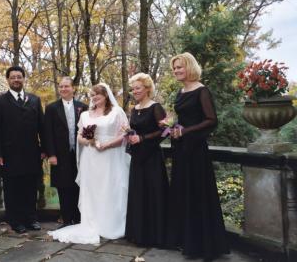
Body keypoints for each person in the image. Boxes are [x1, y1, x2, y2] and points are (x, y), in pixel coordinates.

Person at [164, 52, 229, 260]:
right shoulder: (181, 92)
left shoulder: (202, 91)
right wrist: (173, 129)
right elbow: (184, 119)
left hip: (196, 152)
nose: (176, 71)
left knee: (198, 193)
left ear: (190, 67)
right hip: (181, 150)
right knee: (184, 193)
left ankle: (204, 245)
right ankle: (187, 242)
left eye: (179, 67)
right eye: (174, 68)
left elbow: (211, 120)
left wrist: (186, 131)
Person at [48, 83, 130, 244]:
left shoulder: (116, 112)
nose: (94, 99)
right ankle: (92, 223)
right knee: (92, 189)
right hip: (91, 156)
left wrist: (107, 145)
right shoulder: (86, 114)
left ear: (105, 96)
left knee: (109, 187)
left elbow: (125, 134)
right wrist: (88, 141)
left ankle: (111, 224)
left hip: (110, 155)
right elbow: (80, 135)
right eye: (92, 96)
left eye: (97, 96)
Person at [0, 66, 44, 234]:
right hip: (9, 154)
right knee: (12, 189)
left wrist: (45, 149)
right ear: (8, 80)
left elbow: (42, 127)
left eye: (19, 77)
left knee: (30, 187)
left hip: (32, 153)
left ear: (23, 79)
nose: (16, 80)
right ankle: (15, 220)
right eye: (12, 77)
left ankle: (31, 219)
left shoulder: (34, 100)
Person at [125, 73, 169, 248]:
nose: (134, 91)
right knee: (139, 194)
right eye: (133, 88)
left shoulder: (156, 107)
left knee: (154, 194)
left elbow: (166, 131)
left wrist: (142, 138)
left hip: (152, 158)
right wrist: (129, 134)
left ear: (147, 89)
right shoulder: (134, 109)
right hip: (137, 158)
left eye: (138, 88)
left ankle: (156, 236)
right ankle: (139, 235)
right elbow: (135, 131)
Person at [44, 76, 88, 228]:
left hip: (80, 153)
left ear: (73, 88)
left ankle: (79, 217)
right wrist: (51, 154)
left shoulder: (83, 107)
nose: (63, 89)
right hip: (59, 153)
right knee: (63, 186)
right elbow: (47, 133)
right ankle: (66, 218)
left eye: (66, 86)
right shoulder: (51, 108)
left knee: (78, 184)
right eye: (61, 86)